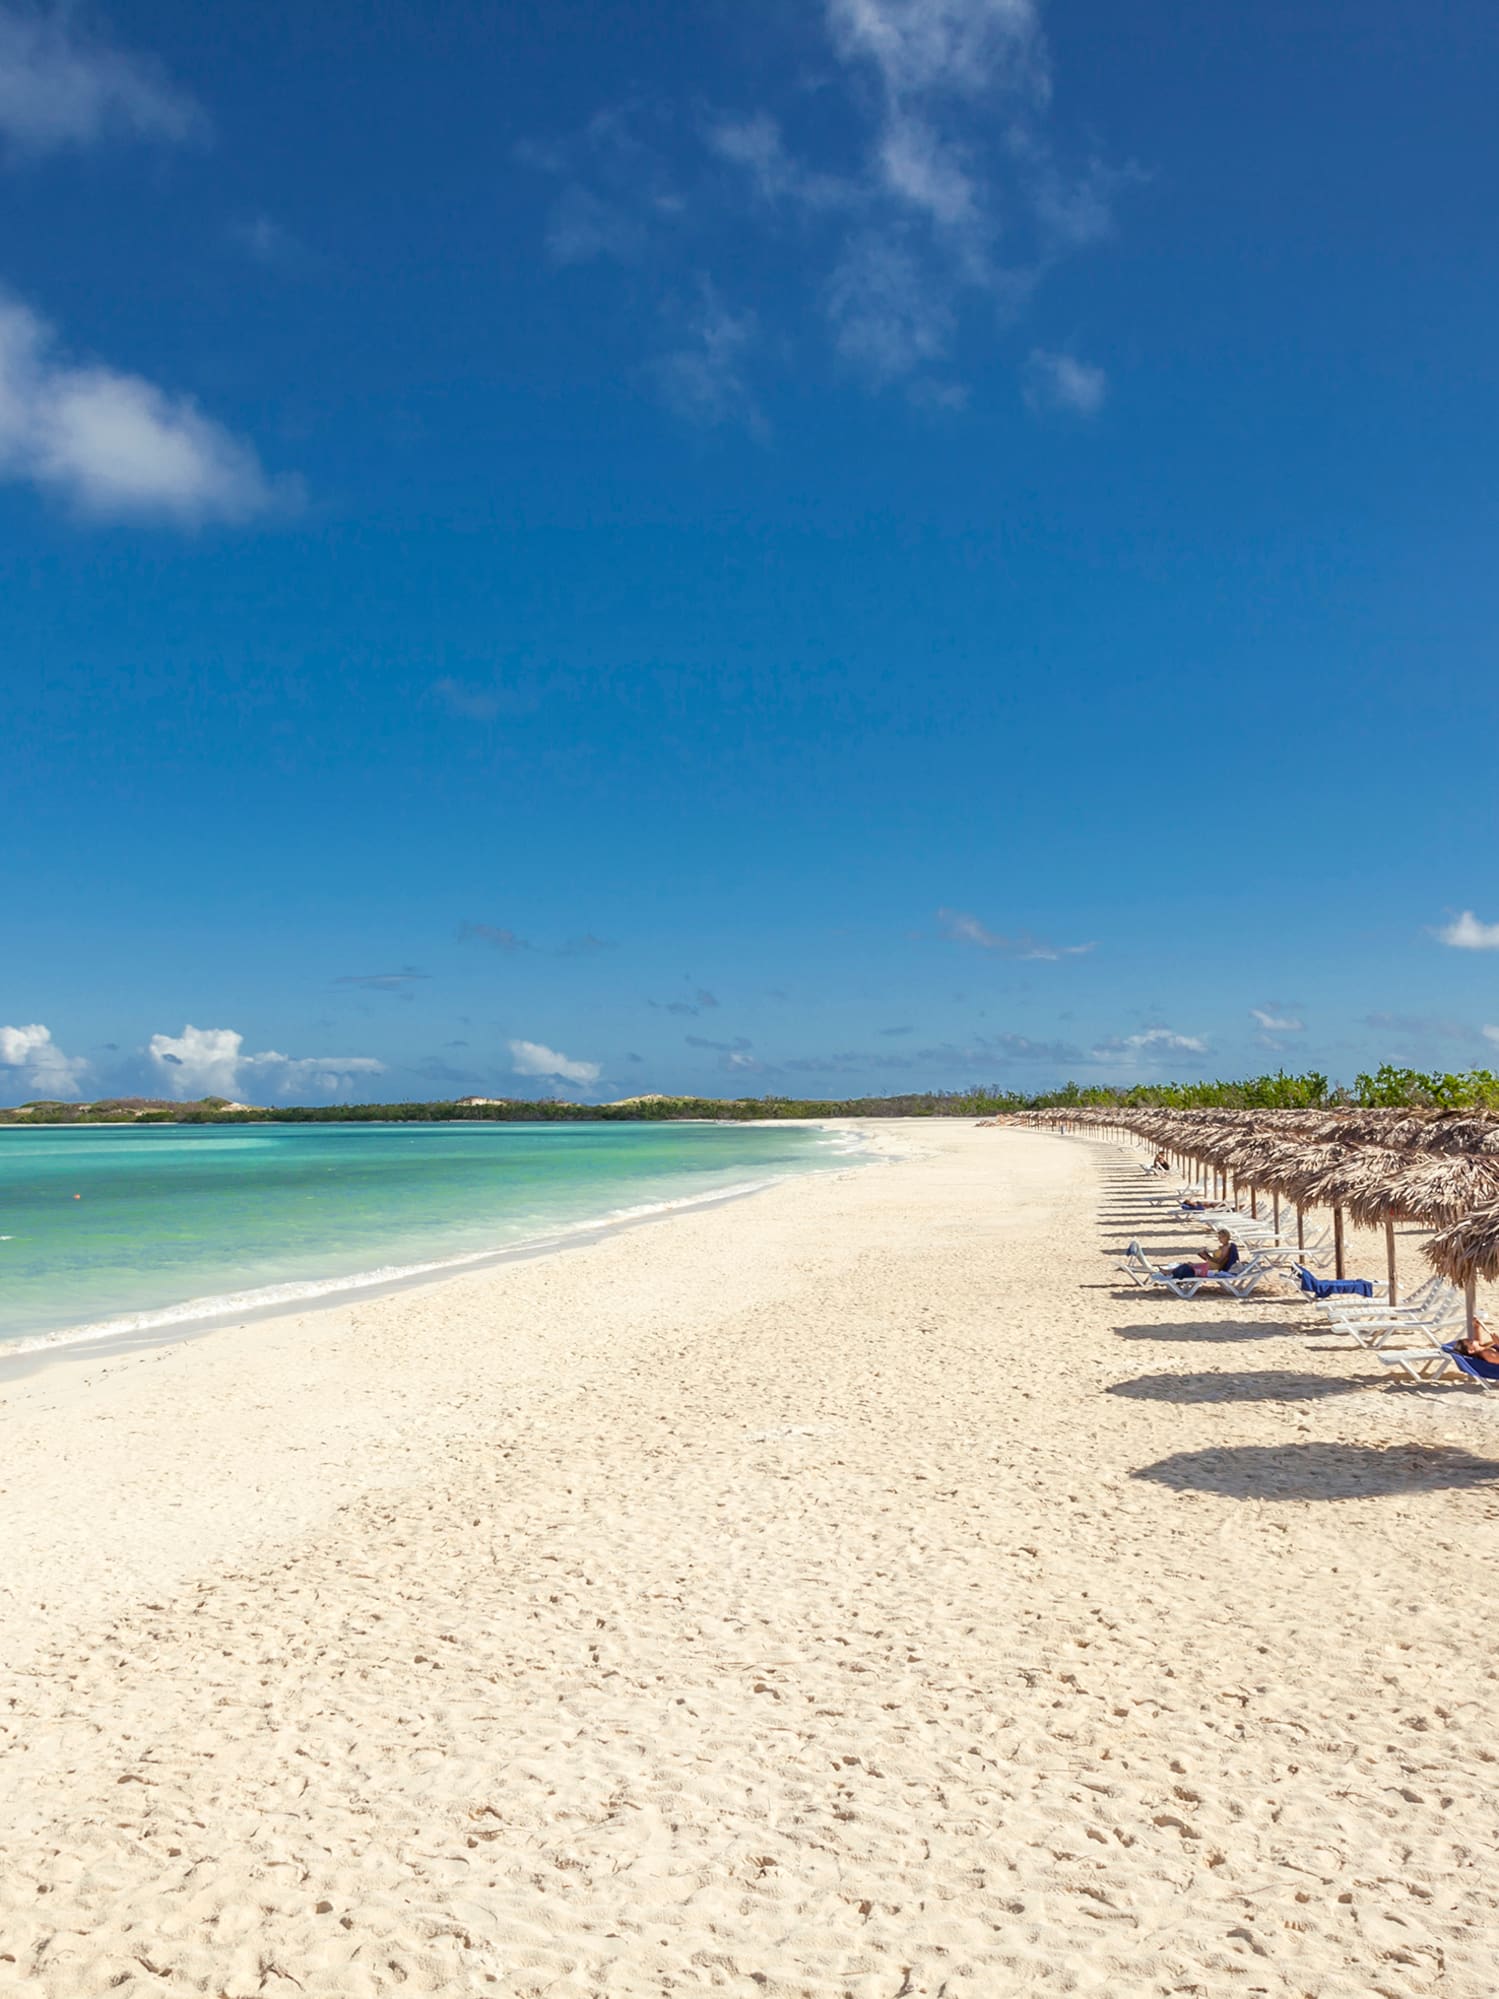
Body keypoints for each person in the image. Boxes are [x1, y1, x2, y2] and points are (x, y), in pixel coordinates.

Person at [1168, 1229, 1239, 1281]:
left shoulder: (1226, 1248)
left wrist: (1207, 1256)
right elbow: (1215, 1259)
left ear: (1226, 1237)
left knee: (1190, 1266)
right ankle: (1170, 1271)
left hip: (1215, 1267)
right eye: (1219, 1237)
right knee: (1189, 1265)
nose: (1219, 1239)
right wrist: (1205, 1256)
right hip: (1213, 1264)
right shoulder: (1223, 1247)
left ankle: (1169, 1272)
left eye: (1221, 1237)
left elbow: (1220, 1262)